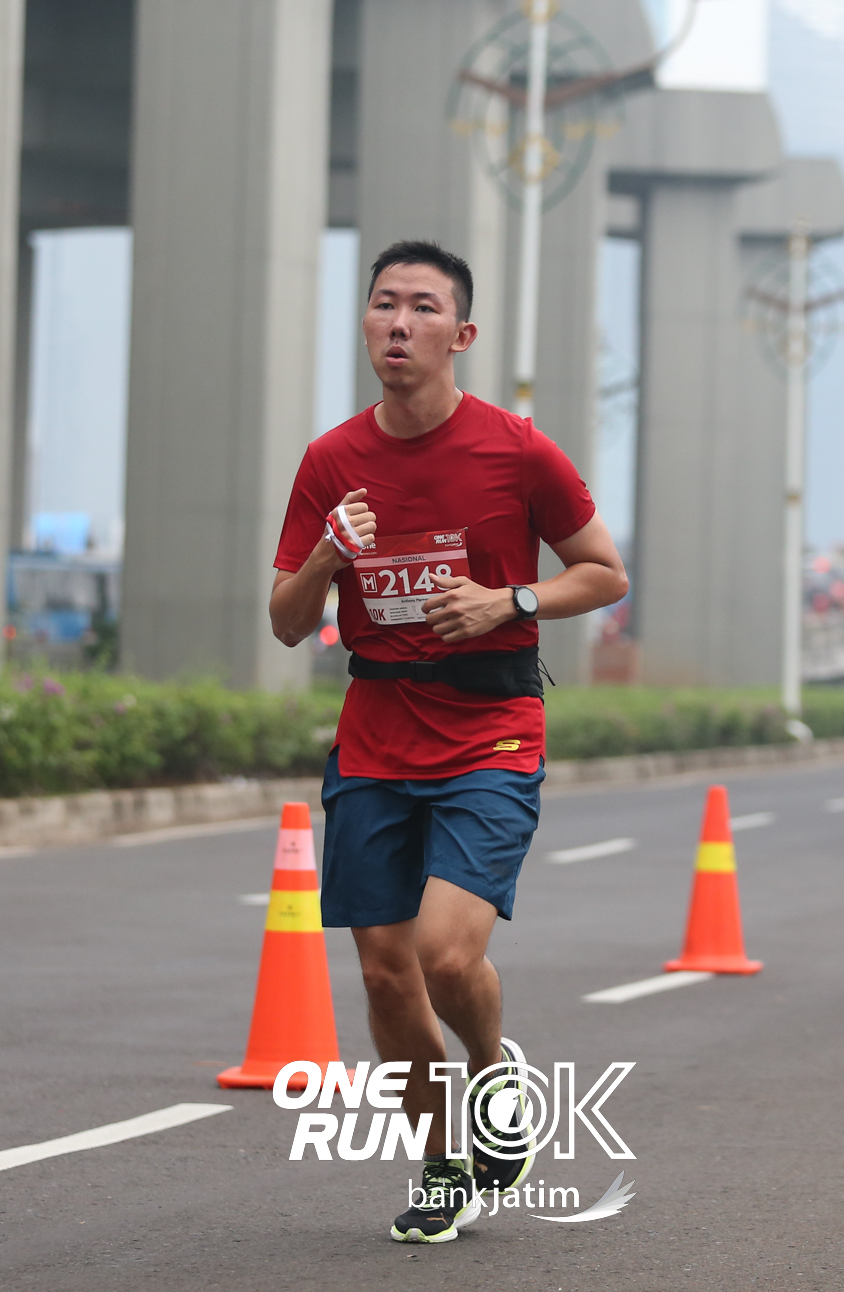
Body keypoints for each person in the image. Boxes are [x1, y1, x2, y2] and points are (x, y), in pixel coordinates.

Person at [268, 240, 629, 1244]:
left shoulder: (516, 450)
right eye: (383, 304)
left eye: (421, 307)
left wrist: (510, 601)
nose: (398, 323)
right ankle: (441, 1164)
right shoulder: (330, 462)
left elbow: (604, 571)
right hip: (374, 735)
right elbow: (287, 621)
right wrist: (330, 551)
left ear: (459, 333)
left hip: (489, 730)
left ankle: (494, 1068)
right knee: (386, 974)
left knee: (443, 954)